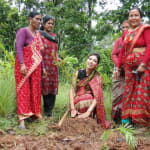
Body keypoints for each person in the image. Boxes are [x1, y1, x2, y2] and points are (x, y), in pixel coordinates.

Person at [114, 8, 150, 126]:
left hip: (143, 67)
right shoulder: (126, 33)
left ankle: (142, 123)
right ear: (128, 18)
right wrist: (118, 68)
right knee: (129, 92)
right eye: (131, 15)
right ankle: (128, 122)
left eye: (136, 15)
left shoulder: (145, 29)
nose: (133, 18)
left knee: (141, 93)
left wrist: (143, 64)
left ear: (140, 17)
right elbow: (122, 53)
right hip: (129, 69)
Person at [15, 11, 43, 129]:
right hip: (24, 67)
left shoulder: (38, 34)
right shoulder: (23, 31)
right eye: (37, 19)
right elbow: (19, 48)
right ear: (30, 19)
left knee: (35, 90)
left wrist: (44, 68)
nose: (39, 22)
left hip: (36, 68)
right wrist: (22, 64)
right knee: (23, 91)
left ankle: (34, 116)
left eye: (40, 19)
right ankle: (22, 121)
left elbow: (39, 53)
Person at [69, 53, 110, 129]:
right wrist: (72, 108)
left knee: (88, 98)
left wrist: (88, 112)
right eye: (90, 59)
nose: (91, 62)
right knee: (82, 99)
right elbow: (71, 90)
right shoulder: (78, 73)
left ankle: (87, 119)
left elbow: (97, 96)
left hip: (91, 102)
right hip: (78, 99)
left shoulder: (97, 77)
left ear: (96, 65)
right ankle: (76, 117)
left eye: (94, 61)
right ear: (86, 60)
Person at [40, 15, 61, 117]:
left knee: (52, 89)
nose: (51, 25)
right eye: (48, 23)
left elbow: (55, 51)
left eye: (52, 23)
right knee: (44, 88)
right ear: (43, 24)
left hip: (53, 66)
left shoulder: (54, 36)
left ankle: (49, 112)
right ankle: (44, 111)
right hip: (43, 65)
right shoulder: (39, 35)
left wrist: (58, 58)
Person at [111, 21, 129, 122]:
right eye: (123, 27)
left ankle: (128, 120)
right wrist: (119, 66)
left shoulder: (136, 40)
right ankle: (116, 119)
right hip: (118, 71)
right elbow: (113, 54)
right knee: (117, 94)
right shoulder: (118, 41)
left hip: (131, 73)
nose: (125, 29)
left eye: (127, 27)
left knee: (128, 95)